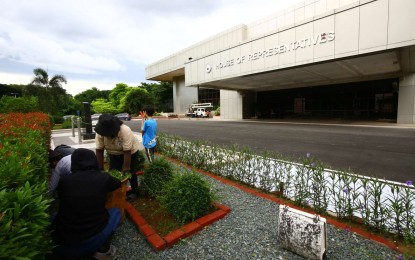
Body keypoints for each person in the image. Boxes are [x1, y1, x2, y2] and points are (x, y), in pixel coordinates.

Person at [51, 148, 121, 259]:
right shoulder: (103, 178)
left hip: (62, 244)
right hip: (91, 241)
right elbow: (118, 183)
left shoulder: (64, 181)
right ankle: (103, 249)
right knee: (116, 212)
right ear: (94, 161)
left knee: (54, 215)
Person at [94, 113, 141, 200]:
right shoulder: (100, 133)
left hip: (130, 153)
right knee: (113, 172)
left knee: (130, 172)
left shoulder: (125, 130)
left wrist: (126, 168)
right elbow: (99, 150)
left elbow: (127, 151)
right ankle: (116, 191)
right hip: (114, 154)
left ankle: (135, 192)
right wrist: (100, 168)